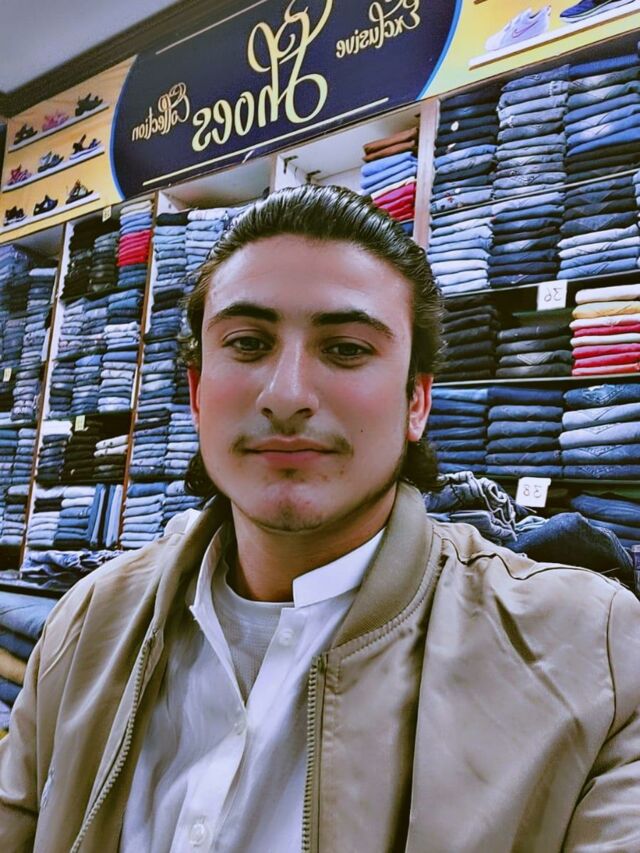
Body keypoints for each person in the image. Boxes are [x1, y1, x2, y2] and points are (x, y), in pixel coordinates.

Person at [1, 185, 639, 852]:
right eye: (248, 343)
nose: (286, 395)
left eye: (346, 349)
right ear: (196, 392)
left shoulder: (590, 655)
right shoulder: (87, 627)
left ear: (417, 402)